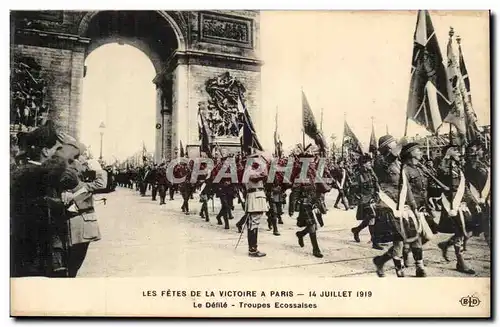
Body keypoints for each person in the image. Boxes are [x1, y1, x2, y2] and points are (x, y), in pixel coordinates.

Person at [372, 135, 419, 277]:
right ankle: (399, 269)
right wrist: (400, 144)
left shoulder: (399, 163)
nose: (396, 144)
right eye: (393, 142)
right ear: (387, 146)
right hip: (388, 205)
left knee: (405, 237)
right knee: (399, 238)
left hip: (401, 204)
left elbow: (405, 186)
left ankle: (382, 261)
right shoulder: (380, 161)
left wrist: (413, 205)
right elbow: (385, 162)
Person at [437, 144, 478, 275]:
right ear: (449, 152)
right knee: (460, 231)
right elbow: (440, 172)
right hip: (451, 204)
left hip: (461, 203)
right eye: (455, 150)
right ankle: (461, 262)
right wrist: (446, 157)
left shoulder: (458, 167)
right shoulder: (444, 165)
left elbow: (464, 187)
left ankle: (446, 245)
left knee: (469, 229)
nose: (459, 152)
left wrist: (474, 202)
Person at [350, 154, 383, 250]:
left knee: (371, 219)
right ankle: (374, 242)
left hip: (373, 198)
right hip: (364, 199)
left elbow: (375, 183)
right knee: (372, 216)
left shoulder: (371, 172)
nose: (370, 164)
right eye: (368, 162)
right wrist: (356, 199)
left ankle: (356, 230)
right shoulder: (358, 174)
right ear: (363, 164)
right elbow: (353, 188)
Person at [243, 152, 269, 257]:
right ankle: (253, 250)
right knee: (254, 223)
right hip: (255, 197)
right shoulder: (250, 171)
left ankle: (253, 248)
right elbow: (264, 174)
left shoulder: (249, 171)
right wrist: (264, 164)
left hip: (255, 196)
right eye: (256, 160)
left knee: (253, 223)